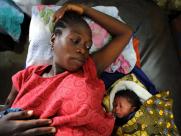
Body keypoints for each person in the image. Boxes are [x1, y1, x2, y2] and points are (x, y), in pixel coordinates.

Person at [3, 3, 132, 136]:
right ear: (53, 40)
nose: (82, 49)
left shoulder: (88, 70)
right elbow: (6, 111)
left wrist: (85, 9)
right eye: (75, 40)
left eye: (88, 46)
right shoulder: (27, 76)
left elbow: (125, 33)